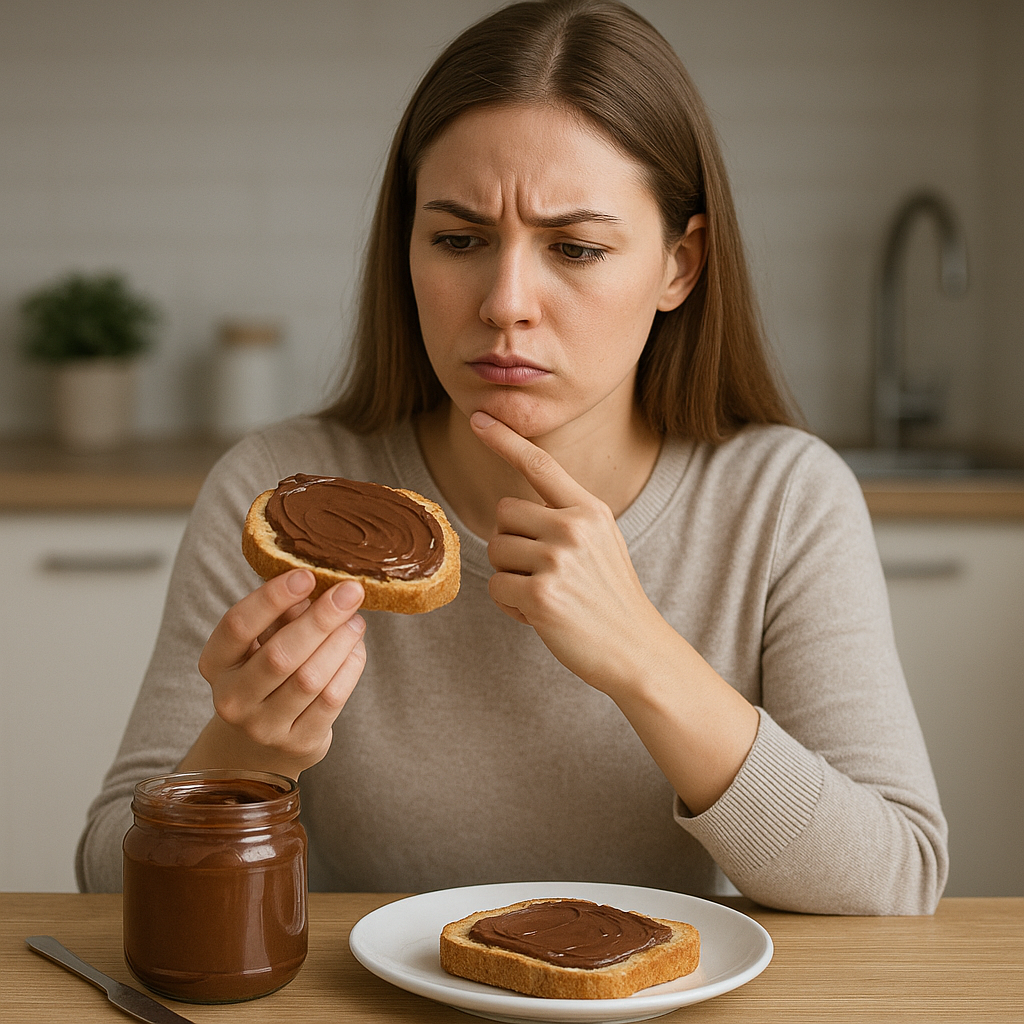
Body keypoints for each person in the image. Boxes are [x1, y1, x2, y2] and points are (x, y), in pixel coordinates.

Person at [78, 0, 947, 914]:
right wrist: (241, 754)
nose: (505, 302)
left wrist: (646, 656)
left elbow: (896, 882)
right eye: (458, 240)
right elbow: (105, 880)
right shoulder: (279, 495)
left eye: (575, 247)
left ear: (678, 266)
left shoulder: (782, 500)